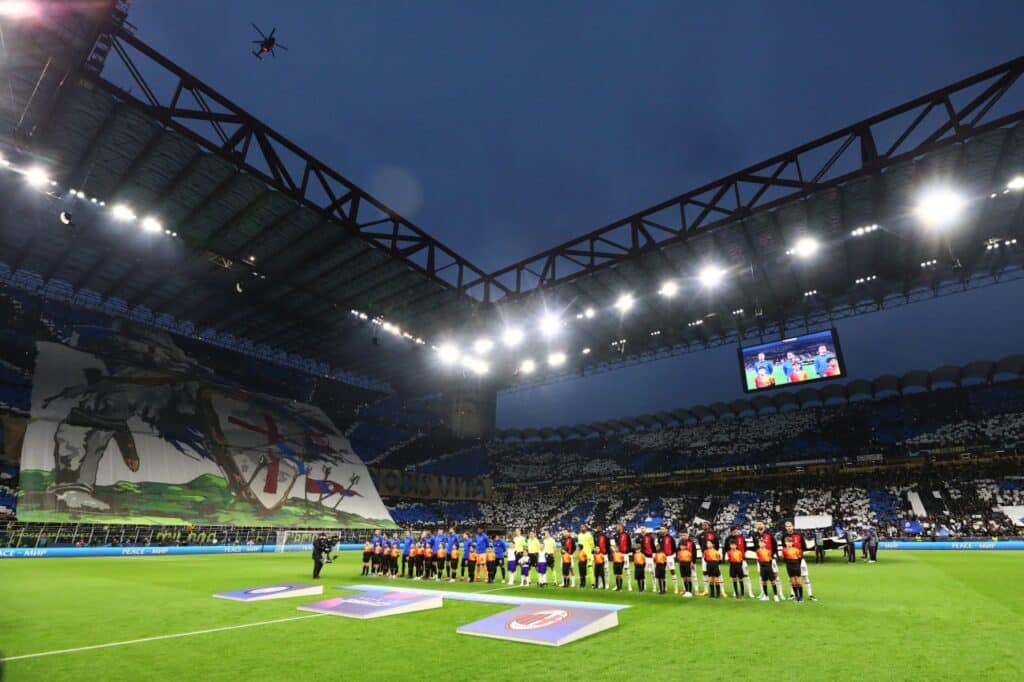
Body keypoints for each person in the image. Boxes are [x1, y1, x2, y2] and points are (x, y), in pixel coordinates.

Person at [780, 520, 816, 600]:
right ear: (785, 527)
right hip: (790, 561)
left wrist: (799, 555)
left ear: (793, 526)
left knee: (805, 577)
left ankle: (810, 595)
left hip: (800, 559)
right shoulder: (784, 536)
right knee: (791, 578)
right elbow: (784, 548)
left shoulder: (799, 535)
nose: (788, 527)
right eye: (787, 526)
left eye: (790, 526)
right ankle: (793, 594)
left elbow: (804, 546)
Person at [729, 526, 754, 598]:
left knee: (746, 576)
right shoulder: (729, 539)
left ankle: (750, 592)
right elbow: (727, 549)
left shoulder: (741, 538)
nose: (735, 532)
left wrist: (741, 556)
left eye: (736, 531)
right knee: (734, 578)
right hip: (733, 562)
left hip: (742, 560)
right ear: (731, 532)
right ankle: (735, 592)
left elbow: (745, 547)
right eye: (733, 531)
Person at [698, 521, 719, 596]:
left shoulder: (713, 534)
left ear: (709, 526)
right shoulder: (700, 535)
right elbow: (701, 544)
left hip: (713, 556)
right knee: (705, 572)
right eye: (703, 525)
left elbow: (717, 545)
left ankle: (721, 591)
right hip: (705, 555)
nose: (704, 526)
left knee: (716, 574)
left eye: (705, 525)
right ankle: (706, 590)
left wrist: (713, 552)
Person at [781, 536, 804, 602]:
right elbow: (784, 559)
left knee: (798, 582)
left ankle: (801, 597)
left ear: (792, 543)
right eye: (787, 542)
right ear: (785, 543)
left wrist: (797, 565)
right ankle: (796, 596)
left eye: (790, 542)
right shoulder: (784, 550)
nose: (789, 543)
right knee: (793, 582)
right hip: (789, 565)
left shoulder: (796, 549)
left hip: (796, 565)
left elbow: (799, 558)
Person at [675, 529, 697, 597]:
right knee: (684, 577)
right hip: (682, 563)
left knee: (693, 576)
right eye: (682, 535)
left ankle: (695, 590)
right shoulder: (680, 542)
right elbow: (678, 553)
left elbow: (694, 553)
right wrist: (678, 561)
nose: (683, 536)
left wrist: (693, 562)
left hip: (690, 562)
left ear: (687, 534)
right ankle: (686, 590)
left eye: (684, 535)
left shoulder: (691, 542)